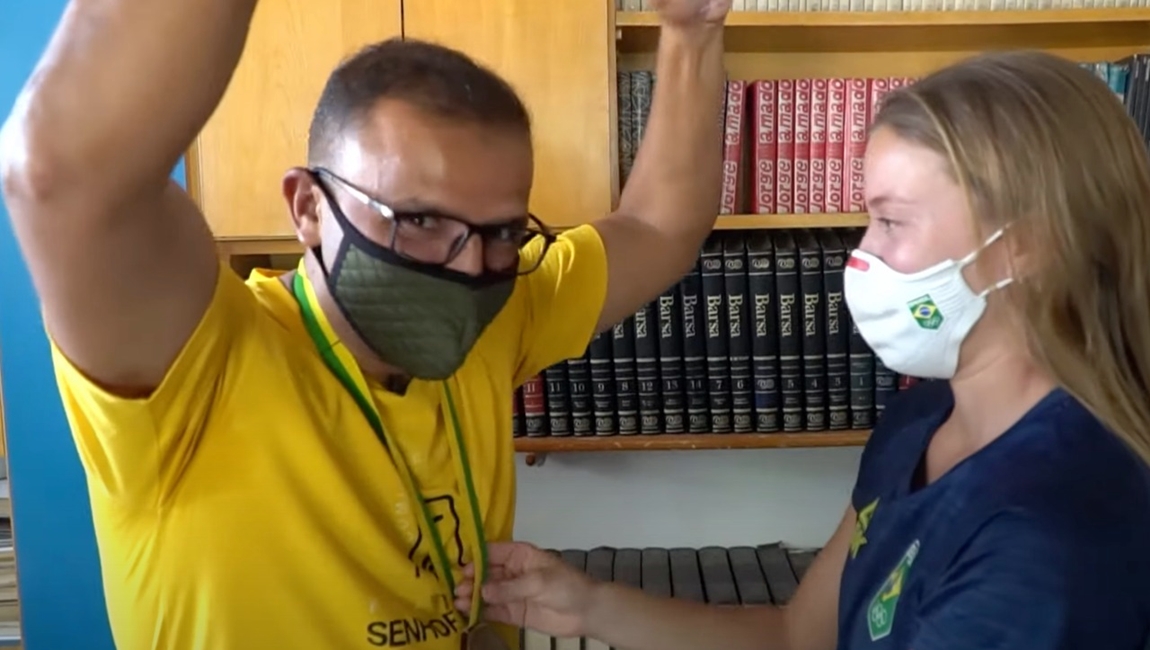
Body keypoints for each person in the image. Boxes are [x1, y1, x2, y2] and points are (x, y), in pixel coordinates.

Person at [0, 0, 732, 648]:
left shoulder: (495, 320)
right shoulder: (192, 366)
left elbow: (658, 225)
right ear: (308, 208)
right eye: (418, 221)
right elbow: (59, 172)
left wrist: (691, 29)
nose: (467, 268)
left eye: (502, 232)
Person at [454, 51, 1150, 650]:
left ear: (1023, 248)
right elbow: (796, 635)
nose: (862, 257)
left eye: (891, 222)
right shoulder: (923, 419)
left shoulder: (1051, 531)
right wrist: (586, 606)